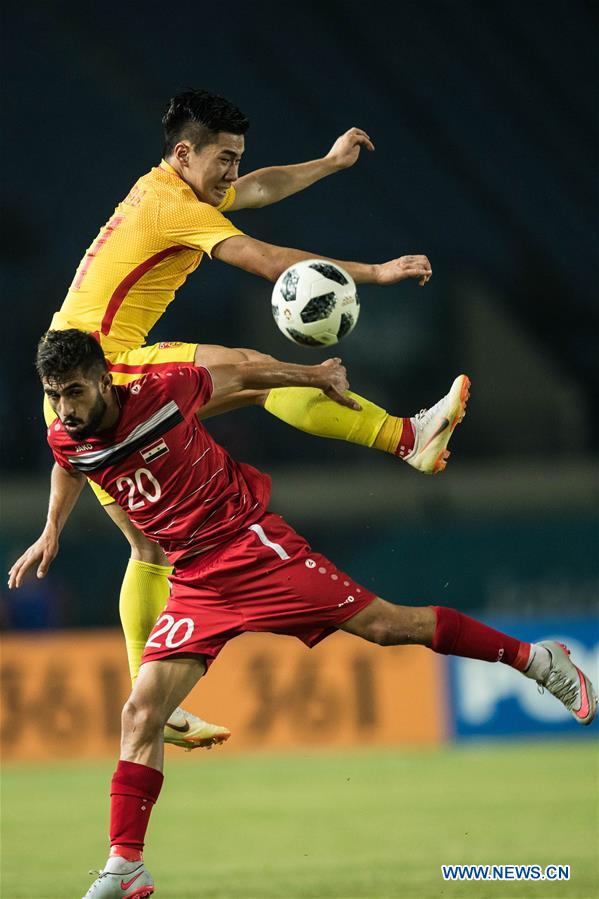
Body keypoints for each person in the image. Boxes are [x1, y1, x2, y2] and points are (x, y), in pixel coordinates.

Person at [10, 330, 596, 899]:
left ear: (103, 380)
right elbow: (70, 464)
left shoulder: (164, 390)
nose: (65, 408)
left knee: (388, 626)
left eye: (75, 392)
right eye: (54, 395)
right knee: (140, 713)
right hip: (194, 582)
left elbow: (242, 374)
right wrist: (51, 528)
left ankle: (538, 660)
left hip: (251, 548)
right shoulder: (66, 433)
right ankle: (126, 864)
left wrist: (312, 375)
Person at [44, 88, 441, 746]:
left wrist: (327, 164)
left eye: (236, 158)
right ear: (183, 154)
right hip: (104, 370)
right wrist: (373, 272)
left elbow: (258, 188)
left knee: (149, 547)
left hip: (71, 386)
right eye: (223, 159)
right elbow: (268, 263)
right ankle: (406, 437)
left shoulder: (177, 189)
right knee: (255, 370)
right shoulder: (172, 206)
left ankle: (152, 703)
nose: (233, 172)